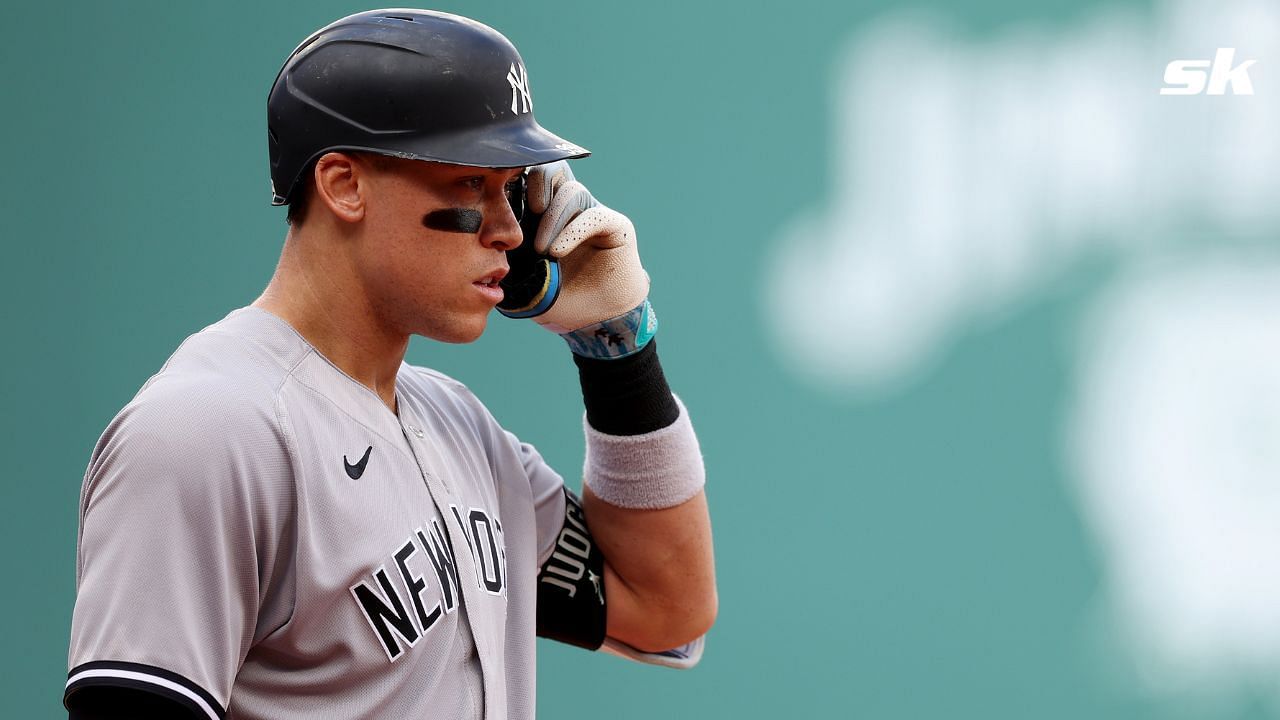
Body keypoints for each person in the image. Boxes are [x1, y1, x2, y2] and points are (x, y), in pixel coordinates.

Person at [63, 9, 716, 720]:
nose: (508, 229)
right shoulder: (208, 431)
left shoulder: (456, 423)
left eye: (512, 189)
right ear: (344, 184)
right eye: (471, 184)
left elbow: (665, 609)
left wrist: (618, 353)